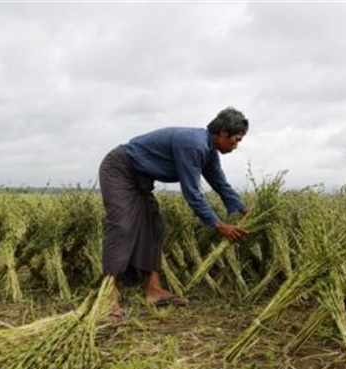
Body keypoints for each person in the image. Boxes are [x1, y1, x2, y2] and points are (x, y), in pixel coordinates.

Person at [98, 107, 250, 322]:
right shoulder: (194, 144)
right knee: (122, 227)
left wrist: (244, 210)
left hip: (140, 179)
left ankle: (154, 290)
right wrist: (218, 225)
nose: (236, 145)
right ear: (223, 132)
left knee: (153, 226)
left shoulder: (208, 151)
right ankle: (107, 299)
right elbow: (192, 192)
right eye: (236, 139)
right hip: (120, 170)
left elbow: (220, 183)